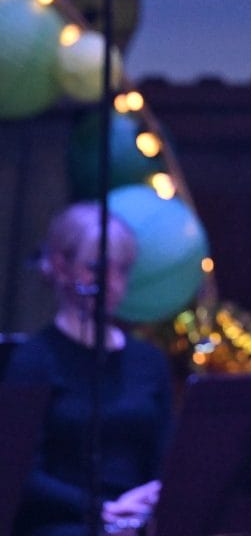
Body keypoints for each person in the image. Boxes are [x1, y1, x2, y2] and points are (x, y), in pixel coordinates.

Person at [4, 202, 172, 536]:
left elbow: (167, 455)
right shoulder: (34, 360)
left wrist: (151, 498)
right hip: (64, 521)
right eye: (97, 269)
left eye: (122, 270)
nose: (112, 282)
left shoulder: (148, 362)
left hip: (139, 521)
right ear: (60, 266)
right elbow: (19, 473)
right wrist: (103, 510)